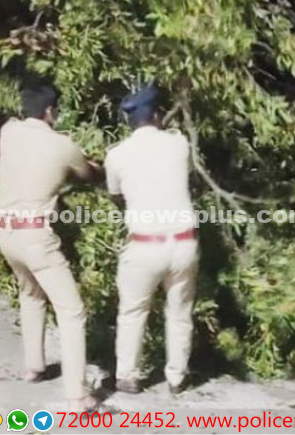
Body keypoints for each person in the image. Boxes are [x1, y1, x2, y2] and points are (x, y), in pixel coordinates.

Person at [0, 85, 101, 412]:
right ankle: (78, 395)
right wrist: (97, 166)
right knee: (72, 310)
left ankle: (33, 367)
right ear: (51, 111)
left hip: (5, 234)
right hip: (35, 237)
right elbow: (88, 174)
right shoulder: (62, 145)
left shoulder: (8, 132)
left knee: (31, 294)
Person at [105, 84, 199, 395]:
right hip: (183, 244)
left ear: (129, 122)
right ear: (157, 116)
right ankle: (177, 377)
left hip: (145, 245)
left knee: (133, 311)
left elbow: (116, 195)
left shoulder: (116, 155)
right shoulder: (179, 144)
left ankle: (128, 376)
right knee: (180, 313)